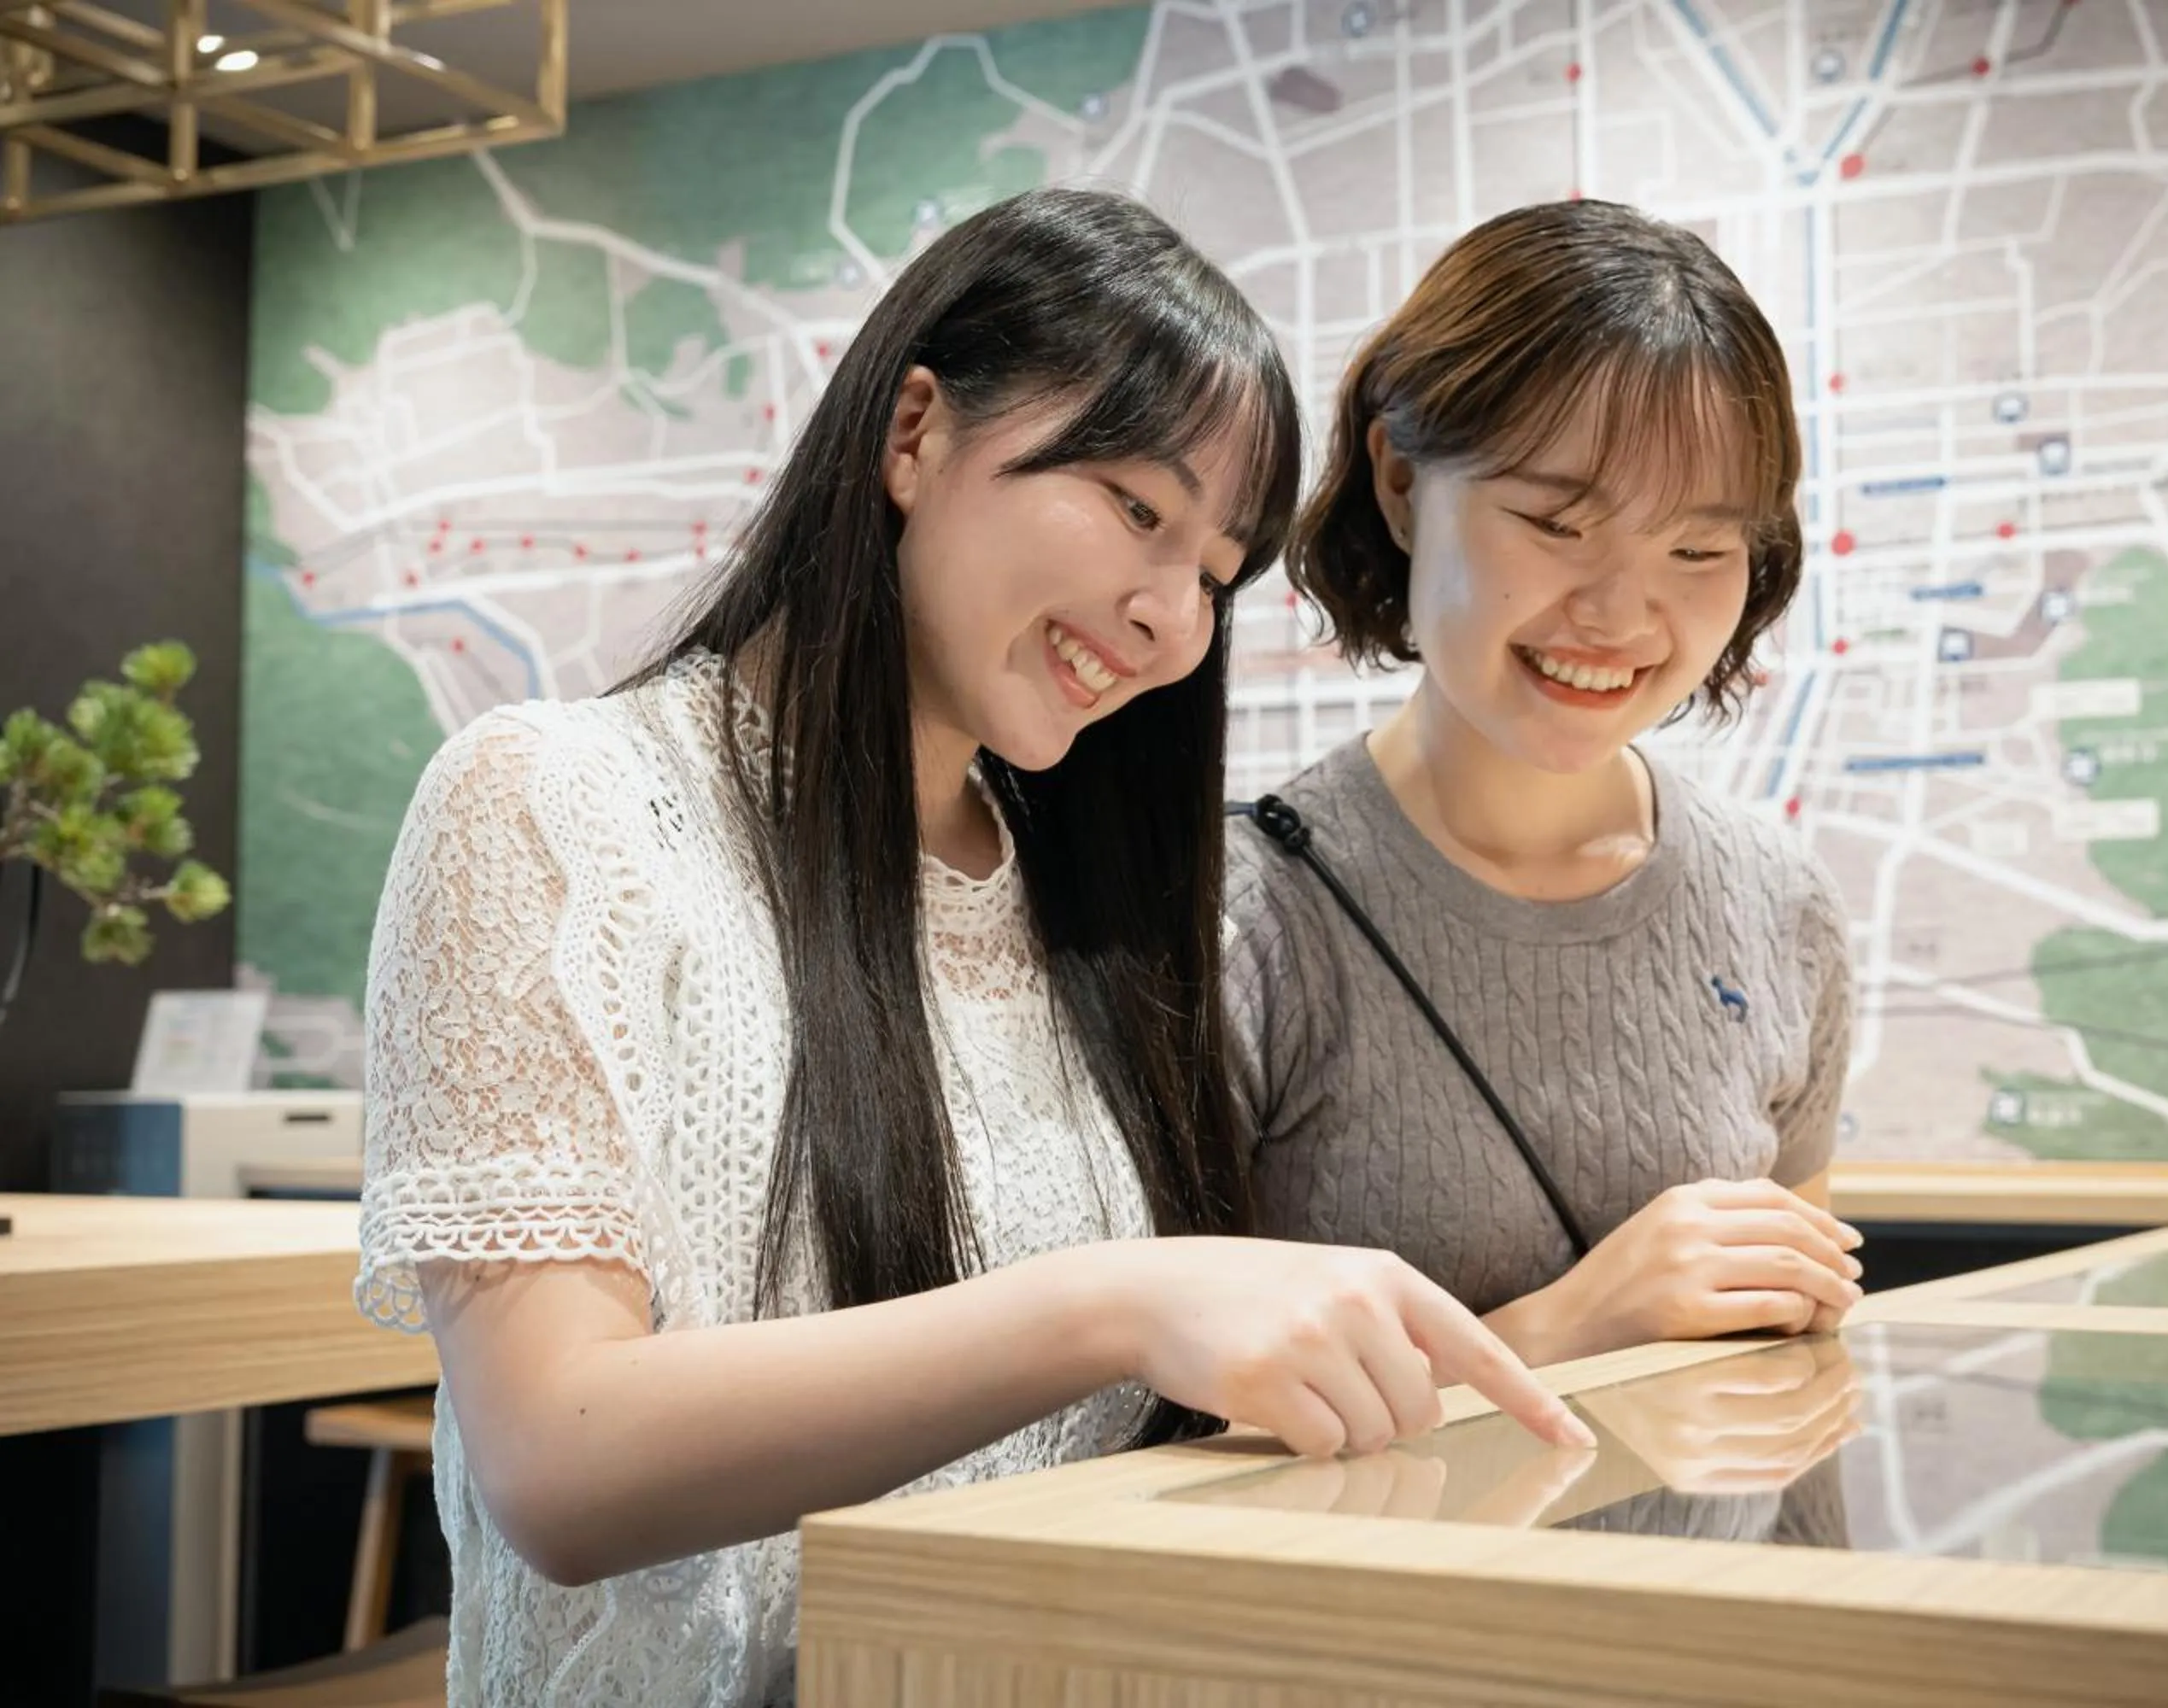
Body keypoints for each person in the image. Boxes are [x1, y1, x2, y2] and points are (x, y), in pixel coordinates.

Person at [354, 188, 1587, 1708]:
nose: (1168, 622)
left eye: (1212, 573)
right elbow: (557, 1462)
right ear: (917, 430)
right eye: (1138, 508)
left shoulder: (1113, 912)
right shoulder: (558, 806)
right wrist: (1113, 1303)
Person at [1226, 198, 1865, 1377]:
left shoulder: (1785, 911)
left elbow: (1794, 1381)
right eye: (1556, 523)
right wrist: (1566, 1328)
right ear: (1402, 480)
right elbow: (1149, 1448)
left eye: (1695, 551)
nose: (1619, 617)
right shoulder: (1243, 925)